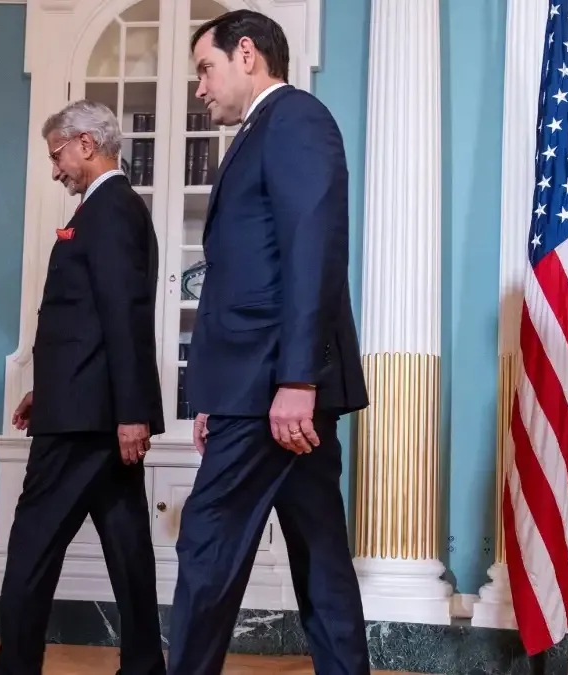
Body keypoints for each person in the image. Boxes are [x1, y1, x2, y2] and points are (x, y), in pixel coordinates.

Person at [166, 10, 371, 675]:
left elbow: (312, 250)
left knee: (206, 541)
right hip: (257, 386)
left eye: (206, 68)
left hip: (272, 388)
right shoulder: (262, 132)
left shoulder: (295, 120)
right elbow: (245, 273)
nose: (201, 86)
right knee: (320, 560)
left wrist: (297, 380)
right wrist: (213, 394)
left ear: (247, 53)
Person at [0, 100, 165, 675]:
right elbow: (87, 320)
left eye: (57, 155)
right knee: (127, 547)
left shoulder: (110, 209)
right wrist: (47, 390)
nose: (55, 170)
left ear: (86, 143)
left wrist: (132, 413)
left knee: (32, 545)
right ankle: (144, 666)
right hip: (89, 410)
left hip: (84, 423)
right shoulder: (107, 209)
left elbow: (124, 315)